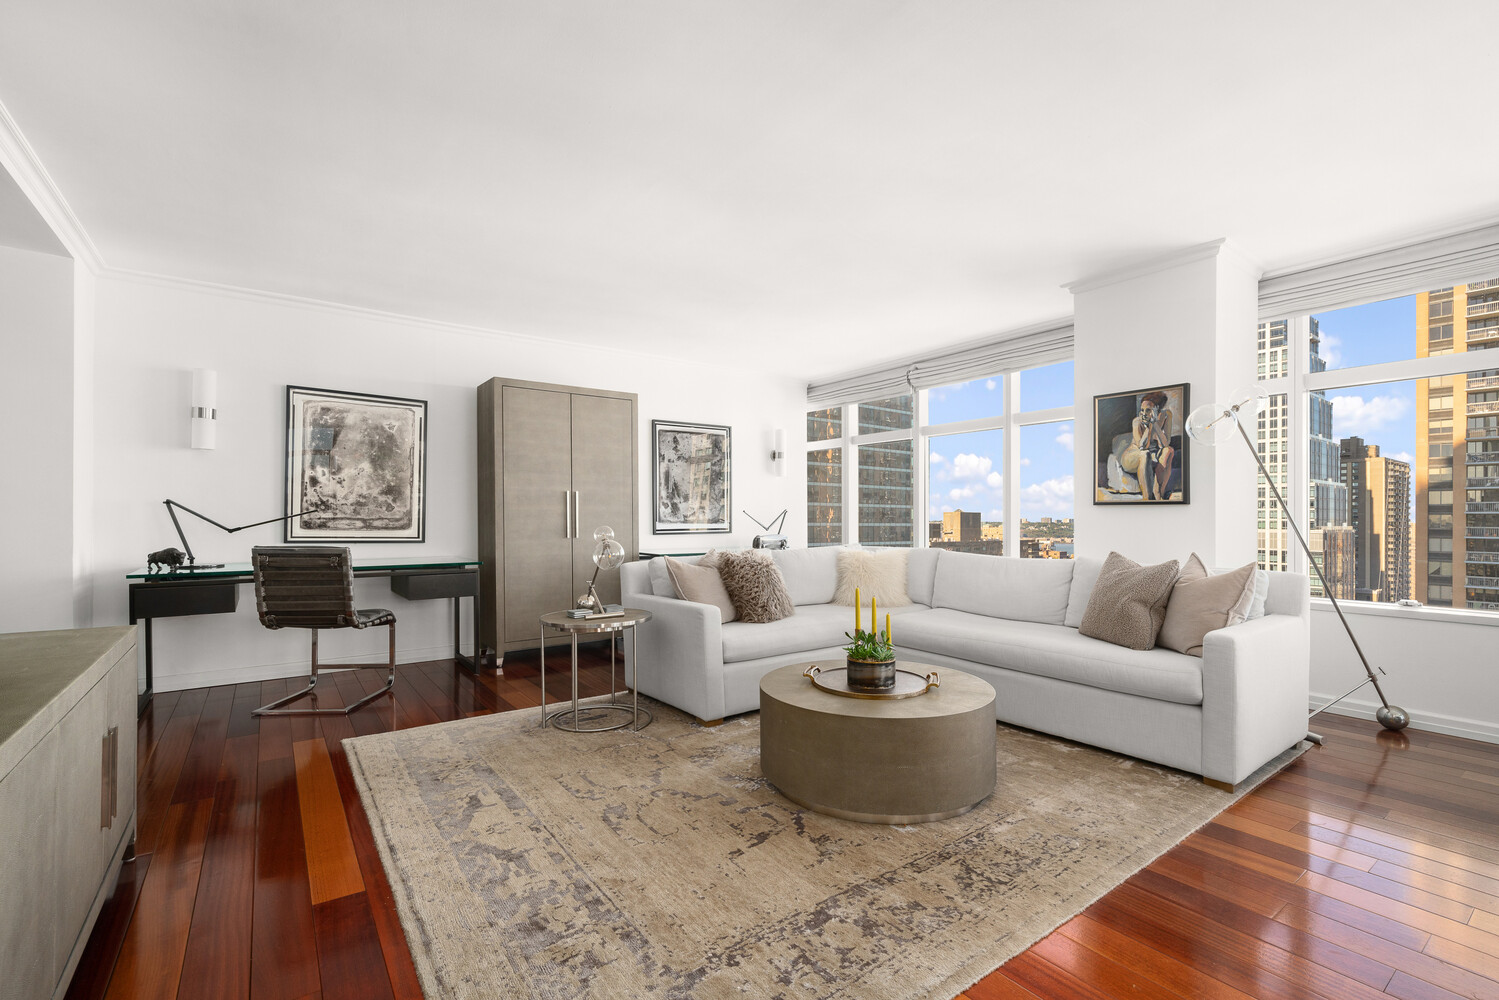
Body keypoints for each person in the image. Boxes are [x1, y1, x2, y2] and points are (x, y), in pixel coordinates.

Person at [1118, 391, 1176, 500]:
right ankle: (1147, 497)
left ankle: (1158, 493)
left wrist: (1155, 423)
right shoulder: (1137, 421)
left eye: (1148, 410)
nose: (1144, 413)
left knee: (1169, 450)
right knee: (1145, 454)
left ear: (1156, 410)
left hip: (1151, 454)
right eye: (1142, 410)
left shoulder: (1166, 415)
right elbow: (1142, 446)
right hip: (1132, 456)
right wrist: (1149, 426)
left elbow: (1164, 444)